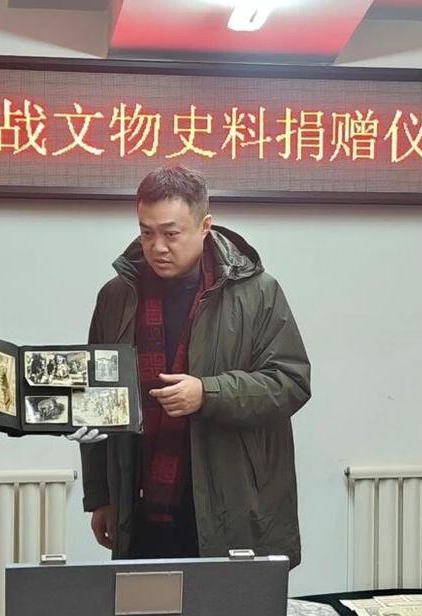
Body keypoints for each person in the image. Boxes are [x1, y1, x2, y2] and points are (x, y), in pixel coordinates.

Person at [77, 166, 311, 564]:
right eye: (146, 232)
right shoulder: (117, 296)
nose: (157, 247)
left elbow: (290, 382)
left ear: (205, 226)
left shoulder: (257, 292)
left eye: (171, 234)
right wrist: (101, 496)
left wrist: (207, 393)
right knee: (143, 606)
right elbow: (96, 396)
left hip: (232, 501)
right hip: (140, 499)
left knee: (227, 607)